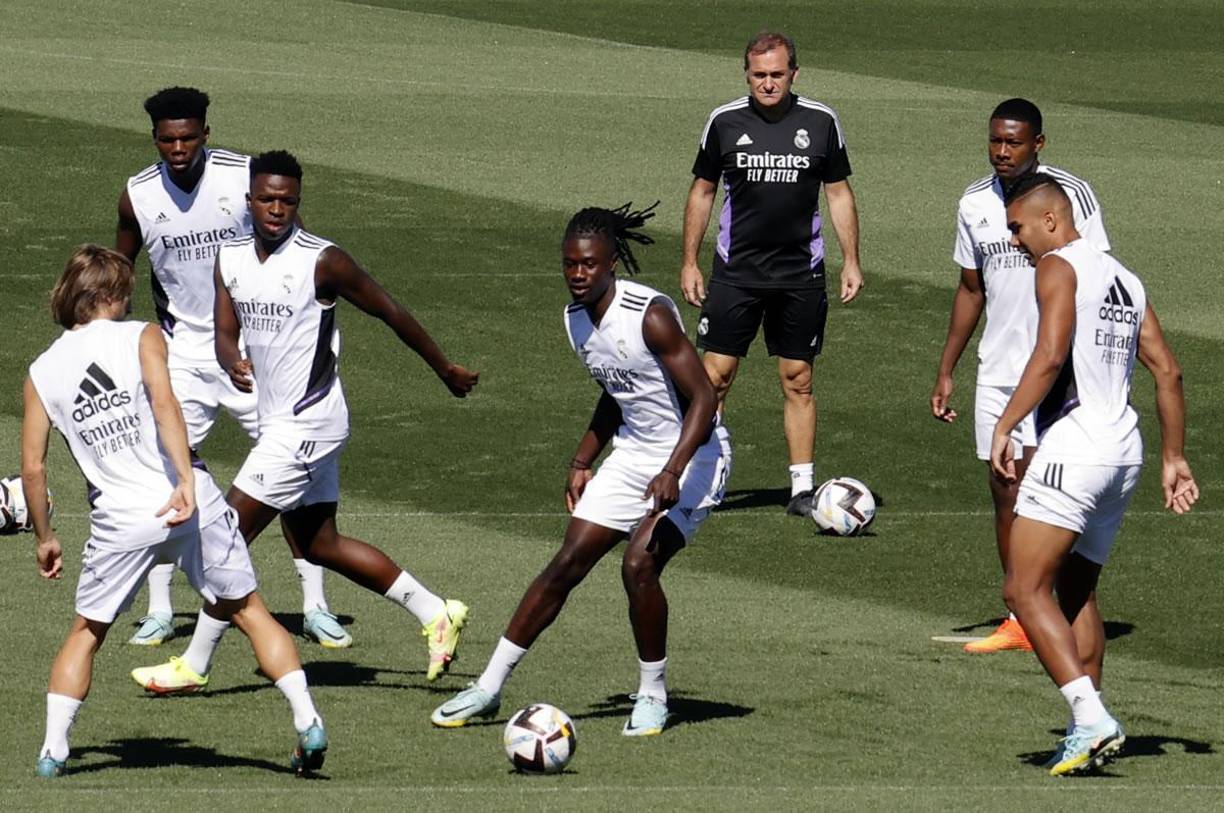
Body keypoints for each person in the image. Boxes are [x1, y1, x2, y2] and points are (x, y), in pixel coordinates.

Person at [132, 150, 478, 694]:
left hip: (308, 425)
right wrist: (227, 356)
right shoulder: (230, 258)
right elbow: (224, 327)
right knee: (320, 543)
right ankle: (437, 611)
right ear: (248, 202)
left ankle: (194, 664)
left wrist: (444, 368)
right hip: (280, 424)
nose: (277, 209)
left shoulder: (323, 261)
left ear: (298, 202)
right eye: (267, 199)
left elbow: (389, 309)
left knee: (228, 538)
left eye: (288, 201)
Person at [23, 245, 327, 778]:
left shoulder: (41, 372)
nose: (126, 303)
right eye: (122, 294)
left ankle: (53, 751)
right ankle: (308, 721)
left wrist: (45, 536)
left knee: (86, 633)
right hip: (190, 502)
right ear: (103, 296)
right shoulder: (142, 334)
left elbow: (33, 469)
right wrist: (186, 481)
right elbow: (165, 404)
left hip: (120, 518)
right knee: (250, 611)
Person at [431, 203, 731, 736]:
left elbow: (705, 400)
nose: (577, 274)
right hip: (634, 453)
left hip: (697, 455)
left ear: (612, 261)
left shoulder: (650, 314)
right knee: (566, 561)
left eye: (588, 264)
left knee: (638, 565)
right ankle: (489, 686)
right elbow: (618, 392)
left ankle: (653, 695)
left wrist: (672, 470)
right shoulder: (574, 320)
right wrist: (582, 459)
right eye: (569, 263)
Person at [117, 86, 348, 649]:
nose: (178, 148)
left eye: (188, 137)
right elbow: (119, 272)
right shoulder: (138, 196)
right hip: (183, 356)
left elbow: (295, 253)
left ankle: (315, 605)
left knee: (296, 475)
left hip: (254, 355)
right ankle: (160, 608)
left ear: (206, 135)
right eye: (167, 139)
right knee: (164, 474)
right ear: (154, 139)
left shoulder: (245, 179)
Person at [990, 174, 1198, 775]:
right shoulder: (1127, 279)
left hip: (1076, 446)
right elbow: (1169, 373)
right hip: (1124, 451)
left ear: (1051, 220)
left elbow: (1050, 354)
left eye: (1018, 228)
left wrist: (1007, 424)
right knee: (1077, 590)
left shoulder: (1058, 267)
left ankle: (1090, 718)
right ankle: (1089, 731)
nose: (1016, 241)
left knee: (1023, 589)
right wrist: (1174, 457)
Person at [931, 98, 1112, 654]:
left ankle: (1056, 605)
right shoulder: (973, 202)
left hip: (1057, 372)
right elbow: (971, 289)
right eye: (995, 141)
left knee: (1044, 489)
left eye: (1013, 142)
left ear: (1039, 143)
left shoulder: (1070, 196)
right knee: (1004, 488)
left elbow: (1097, 274)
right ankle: (1021, 615)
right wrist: (946, 368)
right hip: (998, 368)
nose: (1002, 152)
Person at [680, 31, 863, 516]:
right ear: (747, 75)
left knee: (798, 377)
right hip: (735, 272)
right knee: (713, 378)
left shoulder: (821, 122)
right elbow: (702, 192)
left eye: (776, 75)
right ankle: (699, 476)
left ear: (794, 74)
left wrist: (851, 260)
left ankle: (802, 489)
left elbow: (838, 193)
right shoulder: (723, 121)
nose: (767, 84)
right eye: (759, 75)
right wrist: (689, 261)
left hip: (799, 273)